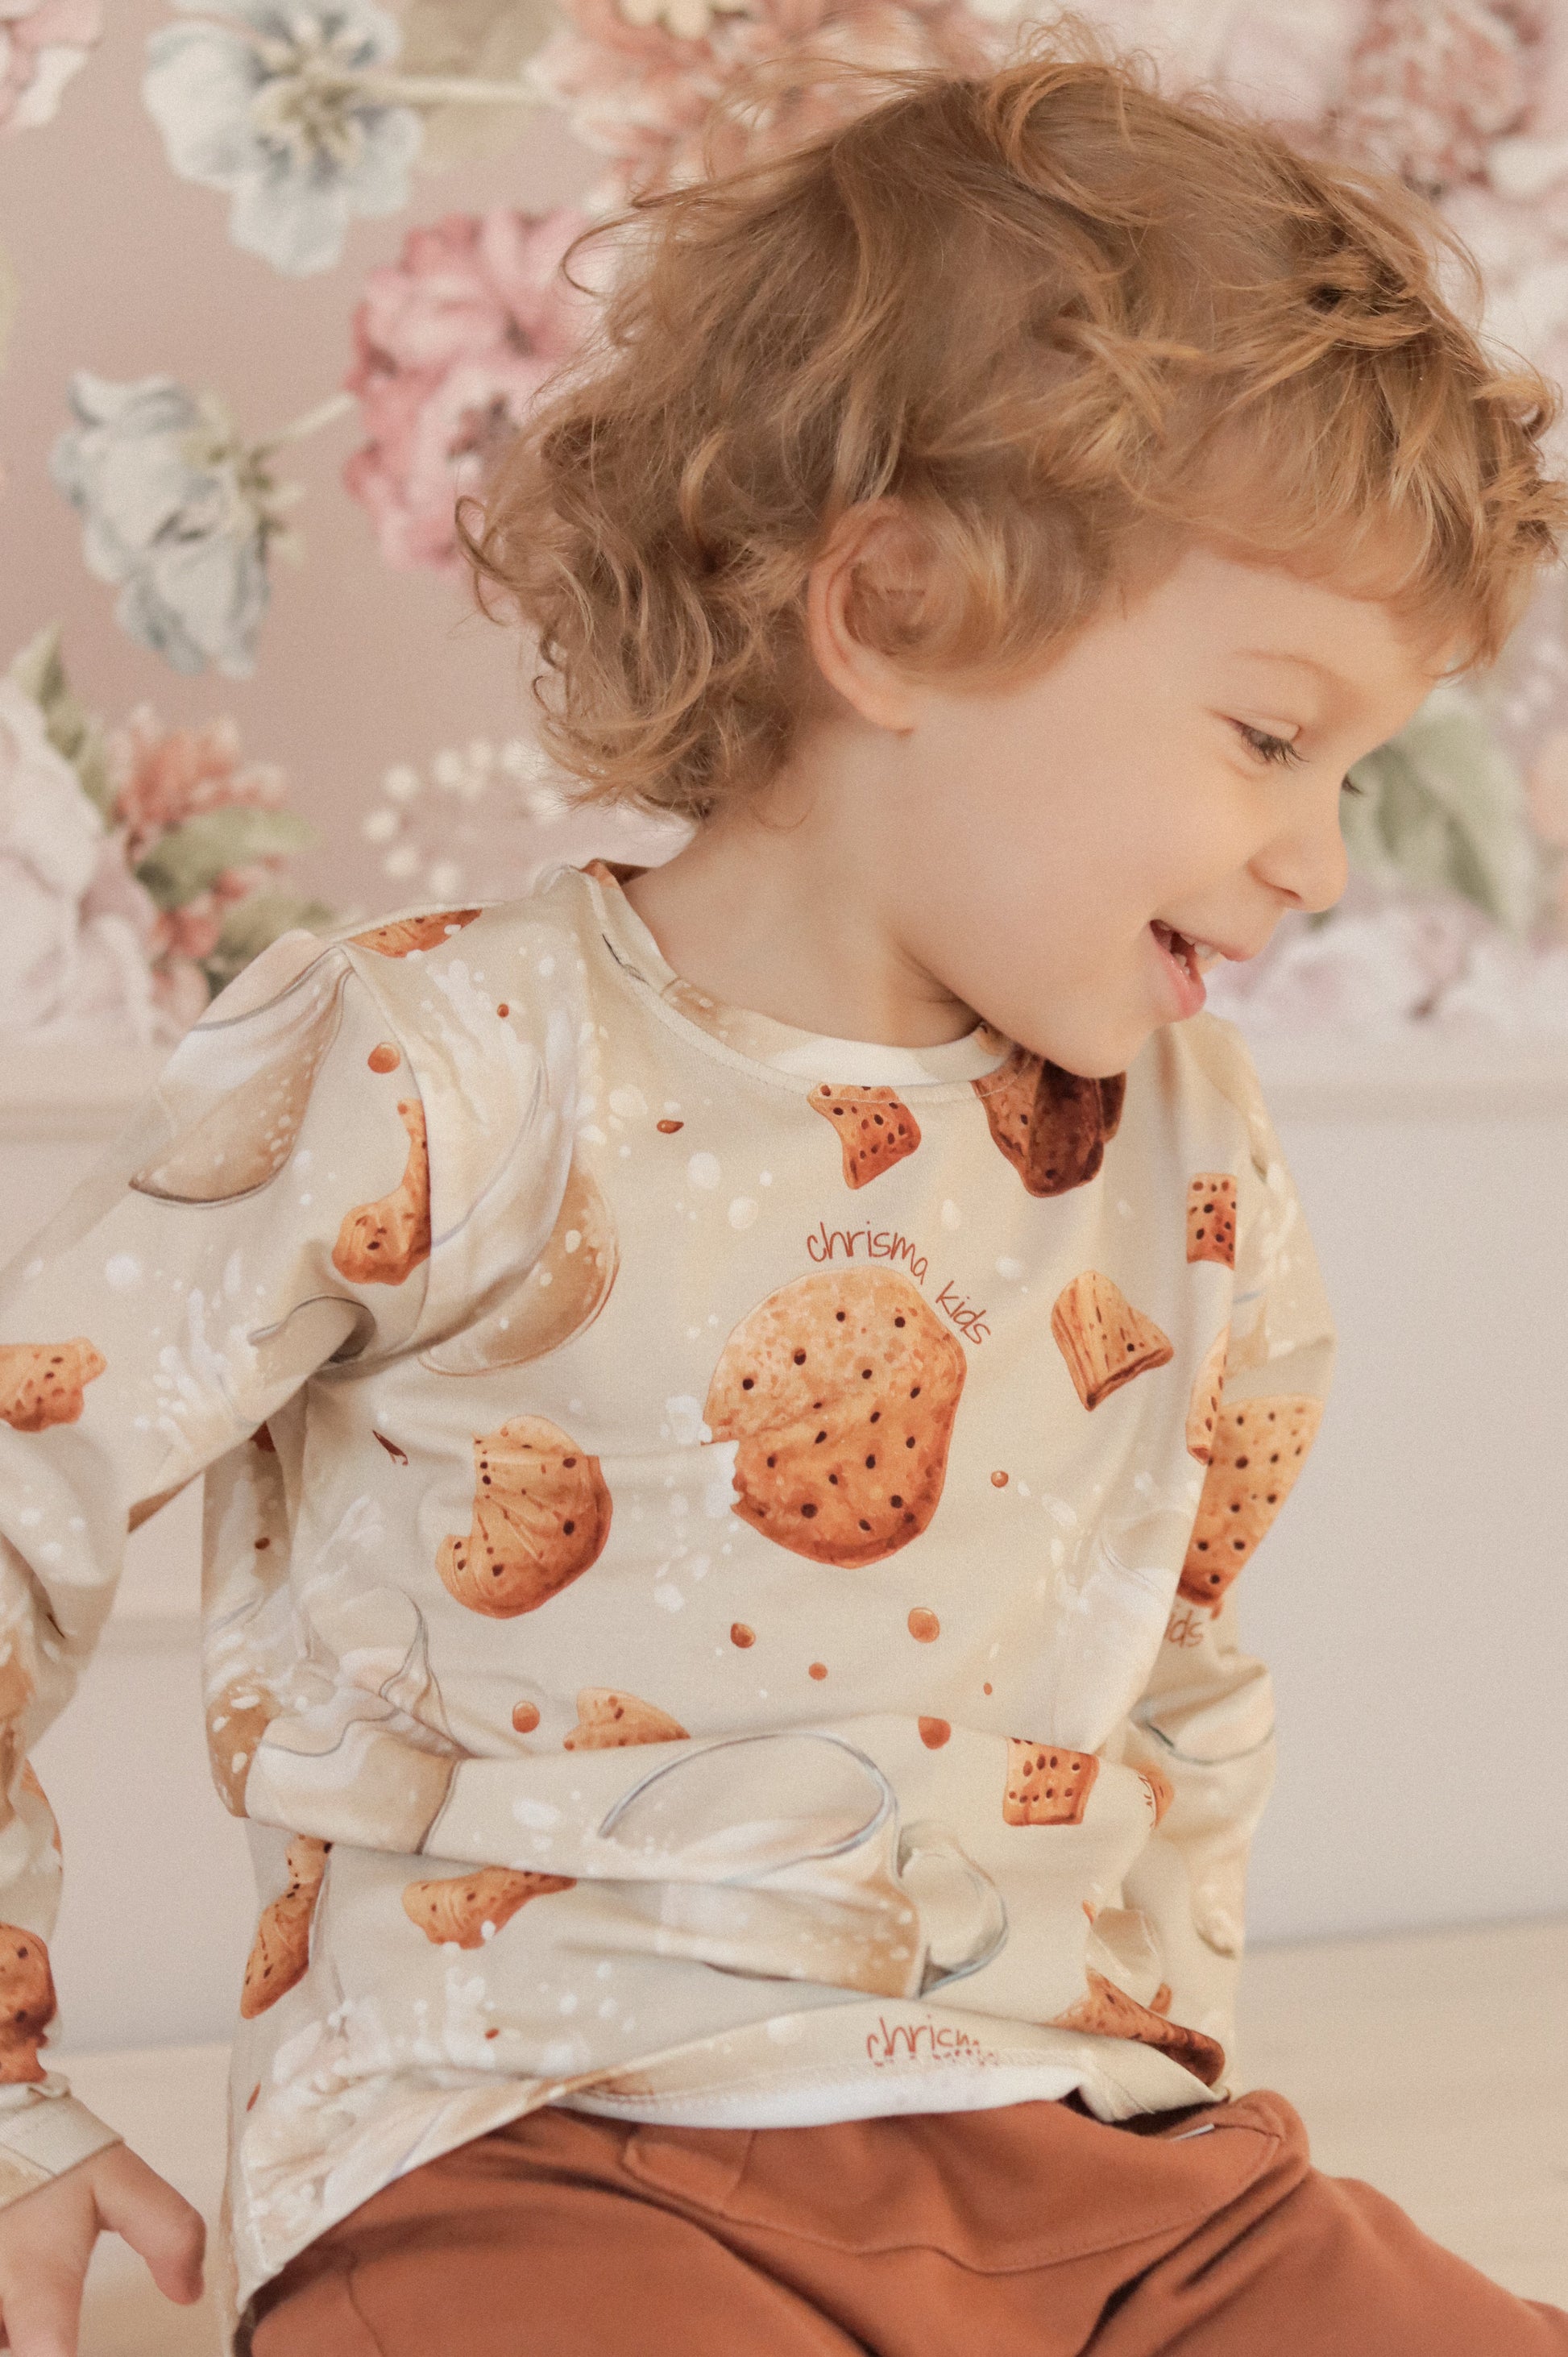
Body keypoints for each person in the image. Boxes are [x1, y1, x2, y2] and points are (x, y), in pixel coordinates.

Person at [0, 25, 1565, 2357]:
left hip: (1089, 2158)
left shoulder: (1188, 1146)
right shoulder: (445, 1067)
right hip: (536, 2142)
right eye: (1269, 734)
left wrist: (1151, 2106)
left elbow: (1186, 1669)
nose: (1317, 862)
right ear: (897, 609)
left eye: (1354, 768)